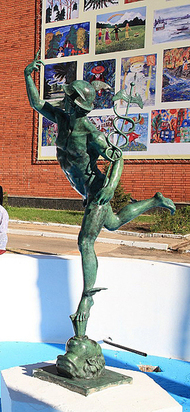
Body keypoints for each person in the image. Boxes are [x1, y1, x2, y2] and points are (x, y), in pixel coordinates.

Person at [25, 53, 176, 337]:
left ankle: (87, 297)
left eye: (74, 102)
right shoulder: (61, 117)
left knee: (85, 242)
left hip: (96, 189)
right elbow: (36, 103)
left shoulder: (90, 131)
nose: (70, 104)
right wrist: (27, 75)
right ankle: (155, 200)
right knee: (114, 223)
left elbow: (117, 158)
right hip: (85, 190)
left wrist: (109, 186)